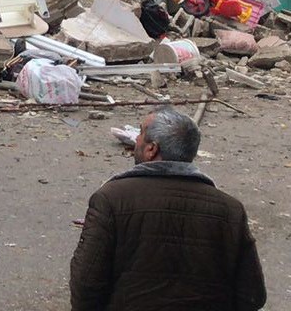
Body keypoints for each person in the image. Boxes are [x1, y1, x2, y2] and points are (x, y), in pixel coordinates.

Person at [68, 106, 265, 311]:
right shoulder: (230, 210)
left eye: (141, 133)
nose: (136, 139)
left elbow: (86, 285)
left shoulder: (111, 198)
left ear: (152, 149)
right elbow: (253, 295)